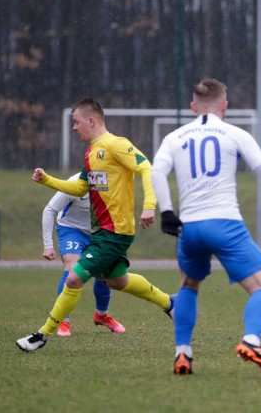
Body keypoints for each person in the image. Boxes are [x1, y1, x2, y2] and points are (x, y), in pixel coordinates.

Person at [152, 78, 261, 376]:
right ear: (224, 106)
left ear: (193, 107)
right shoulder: (234, 133)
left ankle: (183, 353)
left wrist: (166, 212)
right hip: (225, 224)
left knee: (189, 286)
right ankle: (251, 341)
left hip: (189, 228)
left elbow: (157, 171)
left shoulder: (174, 137)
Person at [17, 98, 175, 352]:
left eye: (76, 122)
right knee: (117, 282)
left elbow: (146, 168)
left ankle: (41, 335)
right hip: (102, 231)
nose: (74, 127)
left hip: (114, 232)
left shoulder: (116, 144)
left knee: (73, 280)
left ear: (91, 120)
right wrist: (48, 180)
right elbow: (80, 187)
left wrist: (150, 205)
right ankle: (170, 303)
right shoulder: (91, 153)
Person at [42, 174, 125, 336]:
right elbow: (49, 209)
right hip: (71, 229)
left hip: (98, 233)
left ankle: (101, 316)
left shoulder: (115, 183)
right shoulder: (74, 184)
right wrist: (48, 246)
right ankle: (62, 321)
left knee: (104, 273)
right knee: (73, 268)